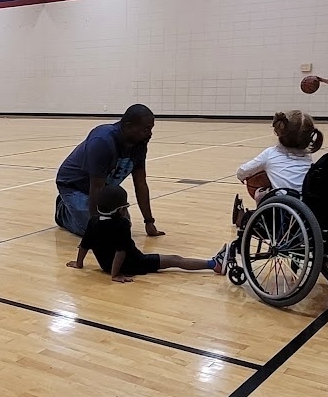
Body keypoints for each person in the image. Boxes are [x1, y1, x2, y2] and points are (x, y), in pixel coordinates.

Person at [66, 185, 221, 283]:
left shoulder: (93, 221)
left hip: (106, 265)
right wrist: (115, 274)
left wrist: (79, 264)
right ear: (121, 210)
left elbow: (84, 245)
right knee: (176, 260)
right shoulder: (122, 224)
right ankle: (214, 264)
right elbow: (121, 252)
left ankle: (214, 263)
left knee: (172, 260)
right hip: (134, 263)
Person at [55, 104, 163, 238]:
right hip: (74, 185)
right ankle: (62, 211)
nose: (150, 134)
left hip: (102, 187)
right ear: (129, 127)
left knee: (123, 226)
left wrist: (149, 221)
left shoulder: (140, 144)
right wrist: (95, 227)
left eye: (151, 129)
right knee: (96, 232)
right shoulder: (102, 142)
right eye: (146, 129)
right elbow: (96, 188)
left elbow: (140, 184)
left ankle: (75, 209)